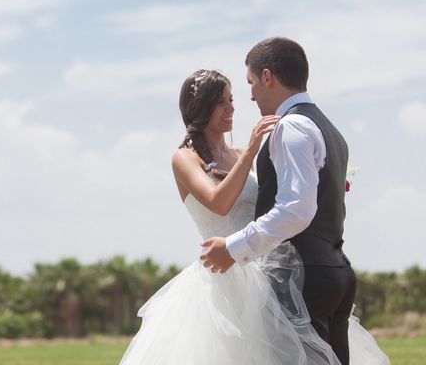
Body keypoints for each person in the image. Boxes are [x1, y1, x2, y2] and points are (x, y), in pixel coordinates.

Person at [119, 66, 389, 364]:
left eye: (231, 99)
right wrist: (250, 153)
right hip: (224, 278)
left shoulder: (238, 153)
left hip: (269, 270)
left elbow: (280, 200)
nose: (231, 107)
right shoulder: (184, 158)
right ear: (200, 107)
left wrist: (323, 182)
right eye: (221, 101)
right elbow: (217, 203)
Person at [199, 37, 387, 364]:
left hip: (301, 277)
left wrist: (232, 248)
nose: (252, 95)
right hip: (336, 271)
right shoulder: (330, 130)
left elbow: (296, 210)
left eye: (252, 83)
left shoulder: (290, 127)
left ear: (268, 76)